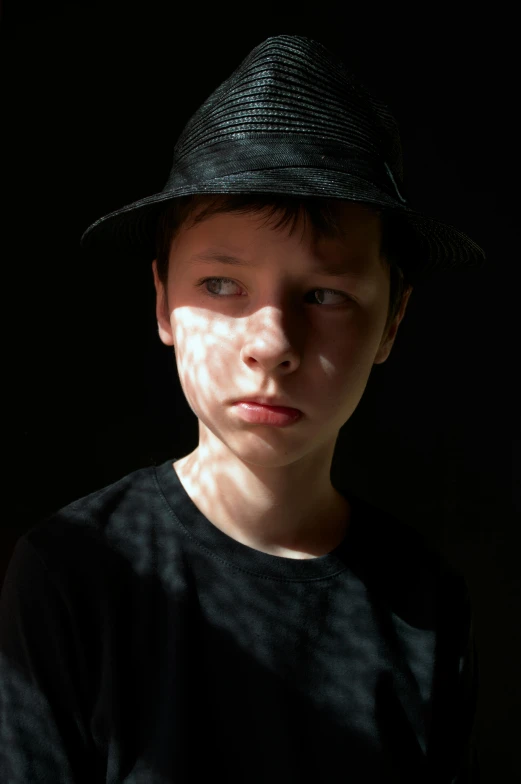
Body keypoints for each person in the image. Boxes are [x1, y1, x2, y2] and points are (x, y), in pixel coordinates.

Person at [0, 34, 483, 783]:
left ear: (391, 321)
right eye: (221, 285)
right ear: (162, 301)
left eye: (323, 295)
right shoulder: (72, 574)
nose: (271, 342)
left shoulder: (426, 602)